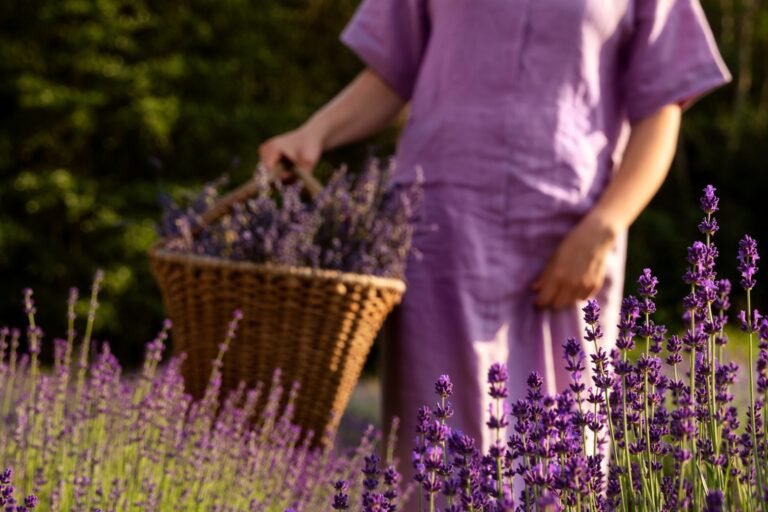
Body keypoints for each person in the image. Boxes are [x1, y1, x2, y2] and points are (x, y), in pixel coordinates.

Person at [259, 0, 730, 507]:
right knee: (436, 469)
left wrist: (606, 225)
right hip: (439, 237)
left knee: (562, 467)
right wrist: (315, 132)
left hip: (568, 248)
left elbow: (661, 109)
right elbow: (392, 72)